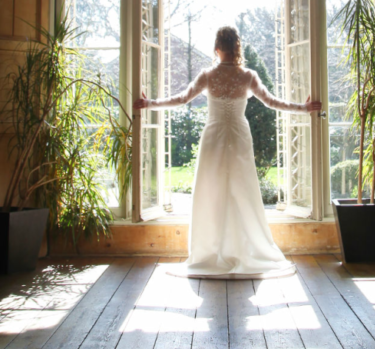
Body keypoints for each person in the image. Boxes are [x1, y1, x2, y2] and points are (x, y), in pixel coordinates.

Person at [133, 25, 322, 279]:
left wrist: (149, 104)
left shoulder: (208, 75)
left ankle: (210, 251)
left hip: (214, 137)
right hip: (239, 137)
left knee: (212, 191)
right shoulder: (248, 76)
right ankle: (241, 249)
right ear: (237, 47)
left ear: (217, 48)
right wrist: (304, 107)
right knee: (241, 191)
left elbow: (181, 99)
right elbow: (273, 102)